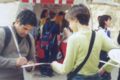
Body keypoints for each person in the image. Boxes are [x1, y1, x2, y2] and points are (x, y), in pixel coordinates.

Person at [51, 4, 117, 80]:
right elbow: (117, 52)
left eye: (69, 21)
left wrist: (54, 64)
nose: (69, 25)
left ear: (75, 19)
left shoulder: (73, 38)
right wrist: (105, 68)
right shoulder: (99, 35)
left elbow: (65, 69)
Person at [0, 9, 37, 80]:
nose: (27, 32)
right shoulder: (2, 34)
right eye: (25, 28)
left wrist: (30, 65)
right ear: (17, 21)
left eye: (29, 30)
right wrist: (14, 62)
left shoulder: (30, 38)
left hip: (20, 77)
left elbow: (32, 59)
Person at [98, 15, 112, 80]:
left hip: (107, 58)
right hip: (100, 58)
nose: (110, 22)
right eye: (109, 20)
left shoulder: (108, 31)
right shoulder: (99, 32)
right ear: (105, 21)